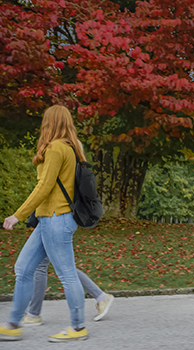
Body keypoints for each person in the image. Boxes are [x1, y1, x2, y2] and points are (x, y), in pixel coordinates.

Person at [1, 105, 89, 342]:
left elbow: (44, 186)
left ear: (50, 123)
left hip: (56, 219)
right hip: (50, 220)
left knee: (67, 274)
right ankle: (12, 324)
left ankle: (78, 328)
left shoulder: (55, 148)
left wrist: (17, 215)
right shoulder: (72, 148)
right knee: (23, 268)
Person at [20, 257, 114, 327]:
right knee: (59, 266)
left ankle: (34, 314)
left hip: (51, 231)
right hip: (50, 230)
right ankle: (101, 297)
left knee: (45, 265)